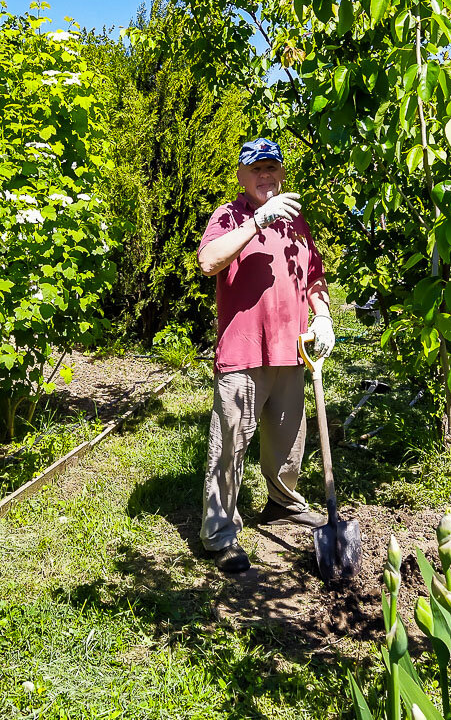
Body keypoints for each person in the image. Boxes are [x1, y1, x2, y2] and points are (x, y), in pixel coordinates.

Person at [196, 137, 335, 573]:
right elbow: (209, 261)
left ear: (282, 174)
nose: (265, 176)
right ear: (241, 175)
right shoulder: (230, 216)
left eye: (272, 168)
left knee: (289, 444)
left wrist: (324, 316)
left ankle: (282, 503)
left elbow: (314, 276)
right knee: (230, 447)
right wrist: (255, 222)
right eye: (256, 169)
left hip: (292, 352)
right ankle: (219, 534)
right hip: (243, 353)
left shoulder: (297, 222)